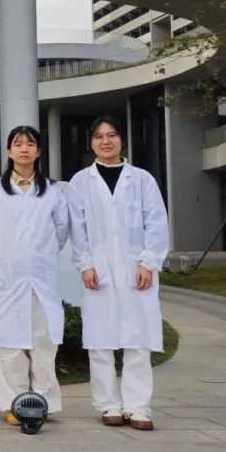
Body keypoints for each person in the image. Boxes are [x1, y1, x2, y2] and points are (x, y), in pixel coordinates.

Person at [69, 115, 168, 431]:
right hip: (98, 272)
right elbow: (77, 228)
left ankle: (138, 407)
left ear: (121, 139)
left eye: (111, 135)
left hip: (137, 271)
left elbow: (156, 222)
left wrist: (148, 262)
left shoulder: (142, 179)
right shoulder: (80, 182)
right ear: (91, 142)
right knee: (100, 340)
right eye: (99, 136)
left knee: (138, 340)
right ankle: (108, 404)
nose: (106, 141)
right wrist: (85, 264)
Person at [0, 125, 70, 425]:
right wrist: (3, 255)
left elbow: (61, 231)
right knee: (9, 344)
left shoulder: (52, 190)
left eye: (30, 144)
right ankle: (13, 404)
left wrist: (38, 255)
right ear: (9, 151)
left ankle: (43, 402)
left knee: (43, 341)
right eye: (18, 143)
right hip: (8, 278)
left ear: (38, 152)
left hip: (42, 277)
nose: (24, 149)